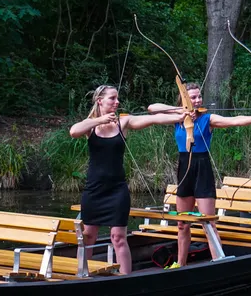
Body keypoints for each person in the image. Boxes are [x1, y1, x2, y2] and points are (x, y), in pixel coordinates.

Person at [148, 83, 251, 268]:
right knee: (183, 223)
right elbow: (152, 108)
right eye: (193, 98)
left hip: (202, 168)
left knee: (208, 223)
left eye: (199, 97)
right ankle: (180, 265)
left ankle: (219, 262)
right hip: (184, 168)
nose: (198, 100)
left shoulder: (208, 119)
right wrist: (181, 110)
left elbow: (234, 120)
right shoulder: (177, 118)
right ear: (184, 100)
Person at [69, 85, 186, 275]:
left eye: (117, 99)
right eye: (112, 99)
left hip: (117, 190)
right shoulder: (91, 125)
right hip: (94, 189)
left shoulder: (123, 122)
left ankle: (125, 277)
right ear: (100, 101)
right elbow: (74, 131)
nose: (117, 102)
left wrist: (180, 116)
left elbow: (153, 119)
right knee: (88, 235)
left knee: (118, 237)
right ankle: (82, 275)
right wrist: (99, 119)